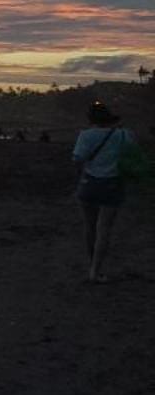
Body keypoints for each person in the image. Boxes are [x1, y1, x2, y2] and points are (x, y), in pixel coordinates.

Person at [72, 102, 132, 282]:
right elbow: (132, 154)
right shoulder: (124, 134)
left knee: (90, 228)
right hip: (112, 184)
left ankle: (92, 264)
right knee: (104, 229)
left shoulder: (85, 135)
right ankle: (96, 271)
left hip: (89, 183)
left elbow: (77, 158)